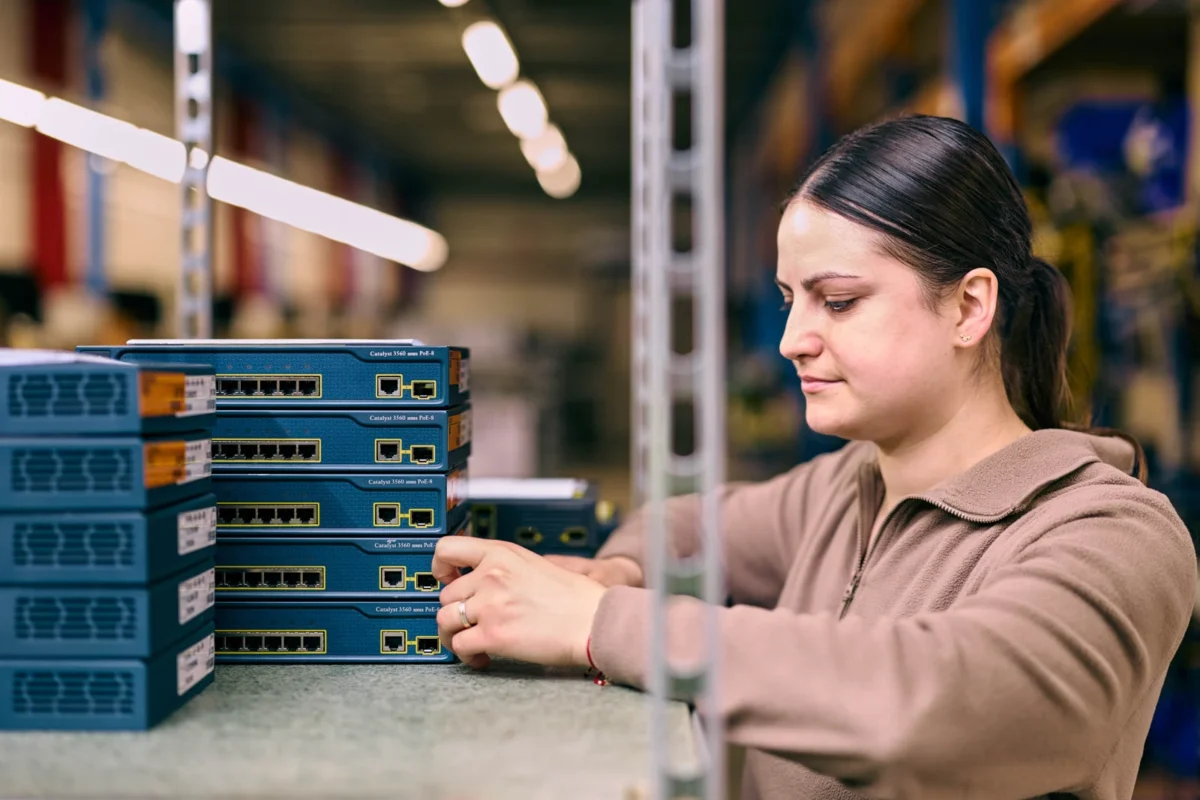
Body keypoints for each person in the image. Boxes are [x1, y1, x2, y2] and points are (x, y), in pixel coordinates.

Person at [432, 115, 1198, 799]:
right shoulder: (852, 484)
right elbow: (687, 526)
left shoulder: (1115, 534)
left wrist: (606, 622)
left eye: (837, 301)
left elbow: (936, 706)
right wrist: (617, 572)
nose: (792, 338)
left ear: (969, 306)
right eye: (788, 297)